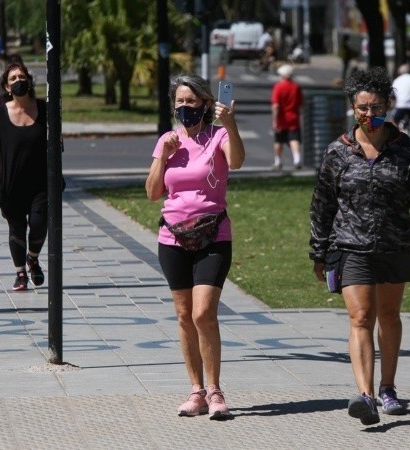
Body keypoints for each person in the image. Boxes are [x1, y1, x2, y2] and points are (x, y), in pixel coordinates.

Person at [309, 67, 410, 426]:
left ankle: (388, 387)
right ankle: (364, 395)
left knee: (390, 316)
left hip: (395, 244)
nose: (370, 115)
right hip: (351, 246)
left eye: (377, 107)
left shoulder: (408, 151)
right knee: (361, 317)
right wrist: (318, 251)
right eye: (363, 108)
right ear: (353, 107)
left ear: (390, 105)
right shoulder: (338, 152)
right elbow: (322, 205)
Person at [144, 74, 245, 420]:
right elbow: (153, 192)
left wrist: (230, 124)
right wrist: (163, 156)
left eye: (191, 102)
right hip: (171, 237)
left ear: (205, 103)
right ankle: (196, 391)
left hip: (213, 235)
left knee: (204, 313)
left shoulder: (217, 135)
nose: (184, 108)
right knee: (185, 315)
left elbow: (237, 162)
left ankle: (216, 390)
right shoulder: (168, 141)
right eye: (179, 103)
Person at [0, 61, 48, 292]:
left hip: (41, 184)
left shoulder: (45, 110)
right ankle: (21, 273)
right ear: (7, 87)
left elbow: (56, 146)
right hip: (11, 184)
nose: (18, 81)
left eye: (22, 77)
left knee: (40, 224)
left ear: (29, 81)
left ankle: (33, 258)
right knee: (17, 229)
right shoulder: (0, 115)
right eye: (13, 79)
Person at [271, 64, 303, 170]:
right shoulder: (296, 87)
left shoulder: (278, 87)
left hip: (281, 118)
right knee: (294, 139)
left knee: (278, 141)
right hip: (293, 117)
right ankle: (297, 159)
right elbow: (300, 102)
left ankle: (278, 161)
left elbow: (276, 106)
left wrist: (275, 120)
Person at [392, 63, 410, 138]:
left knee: (394, 121)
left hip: (401, 106)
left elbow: (394, 95)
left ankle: (393, 137)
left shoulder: (396, 80)